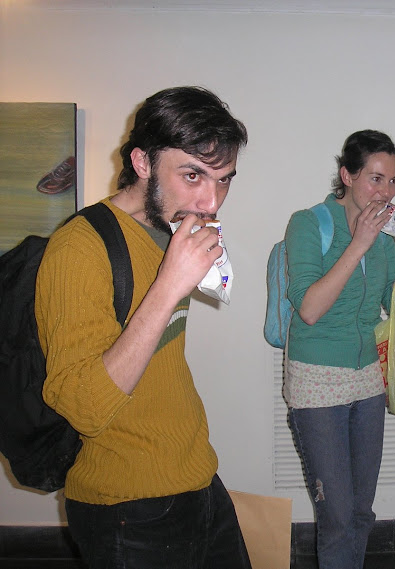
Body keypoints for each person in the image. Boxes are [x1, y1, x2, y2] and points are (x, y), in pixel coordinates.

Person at [35, 86, 251, 568]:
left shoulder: (168, 230)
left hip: (199, 477)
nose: (211, 200)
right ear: (142, 162)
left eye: (224, 180)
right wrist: (168, 286)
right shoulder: (79, 248)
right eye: (192, 175)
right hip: (127, 507)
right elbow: (83, 406)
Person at [283, 130, 395, 569]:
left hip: (368, 379)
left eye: (393, 181)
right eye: (376, 179)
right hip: (317, 380)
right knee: (338, 518)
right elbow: (309, 309)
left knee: (361, 511)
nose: (387, 192)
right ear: (347, 175)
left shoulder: (383, 233)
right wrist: (359, 243)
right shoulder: (308, 224)